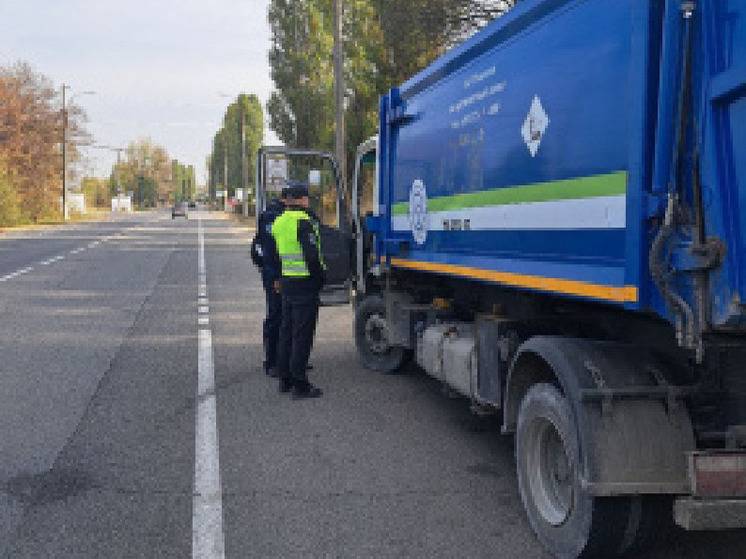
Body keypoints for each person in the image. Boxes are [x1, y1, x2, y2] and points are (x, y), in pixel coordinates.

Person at [269, 181, 325, 399]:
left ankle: (284, 380)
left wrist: (279, 277)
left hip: (287, 283)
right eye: (307, 198)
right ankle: (300, 385)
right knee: (302, 336)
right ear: (302, 200)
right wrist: (320, 278)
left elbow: (273, 255)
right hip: (304, 284)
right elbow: (312, 256)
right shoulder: (303, 222)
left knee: (287, 332)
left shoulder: (279, 222)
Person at [250, 189, 286, 376]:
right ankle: (272, 362)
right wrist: (275, 278)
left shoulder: (282, 213)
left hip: (281, 274)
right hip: (274, 275)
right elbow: (271, 252)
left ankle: (285, 359)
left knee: (286, 317)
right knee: (275, 317)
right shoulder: (271, 216)